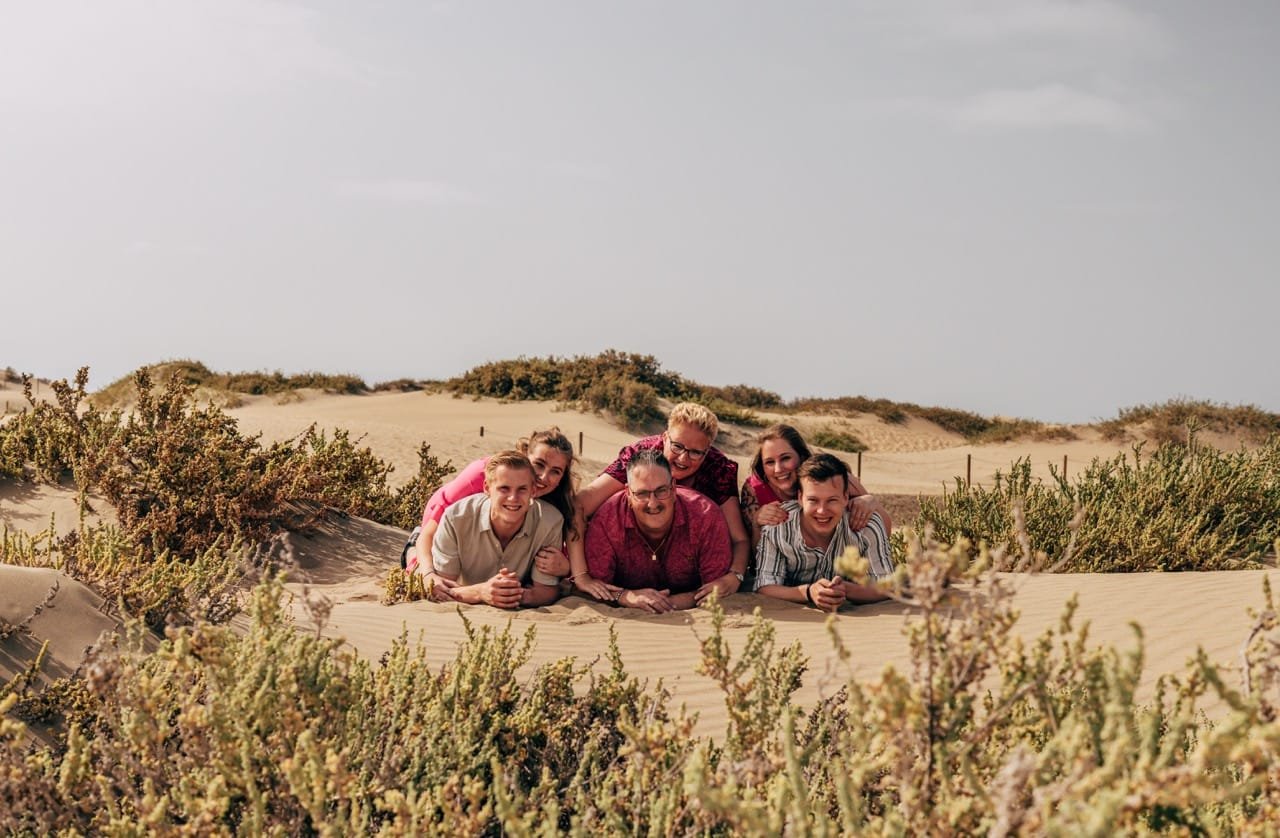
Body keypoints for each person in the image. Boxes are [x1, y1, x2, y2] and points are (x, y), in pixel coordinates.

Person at [409, 427, 620, 601]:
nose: (543, 477)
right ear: (526, 455)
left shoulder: (552, 505)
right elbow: (432, 532)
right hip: (435, 526)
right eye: (539, 465)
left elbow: (562, 547)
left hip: (502, 540)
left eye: (555, 471)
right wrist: (426, 571)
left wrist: (566, 569)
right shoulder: (483, 475)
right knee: (421, 571)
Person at [576, 402, 748, 601]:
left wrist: (734, 576)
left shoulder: (719, 469)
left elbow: (739, 538)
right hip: (628, 553)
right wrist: (582, 576)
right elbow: (579, 506)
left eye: (695, 452)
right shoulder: (640, 456)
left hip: (692, 557)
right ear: (665, 437)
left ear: (707, 450)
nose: (683, 458)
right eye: (677, 446)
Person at [584, 448, 732, 613]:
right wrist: (626, 596)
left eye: (661, 491)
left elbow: (716, 589)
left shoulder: (706, 516)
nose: (653, 503)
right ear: (628, 493)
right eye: (642, 493)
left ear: (674, 488)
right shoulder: (607, 520)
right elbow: (596, 588)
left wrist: (664, 603)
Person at [753, 453, 895, 611]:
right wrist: (808, 592)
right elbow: (765, 585)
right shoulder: (777, 527)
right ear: (800, 498)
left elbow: (885, 586)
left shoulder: (867, 525)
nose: (822, 511)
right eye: (813, 500)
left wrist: (843, 590)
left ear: (846, 497)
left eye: (832, 500)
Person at [424, 450, 564, 608]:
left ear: (533, 491)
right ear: (487, 488)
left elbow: (546, 590)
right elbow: (443, 588)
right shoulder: (455, 518)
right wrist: (481, 592)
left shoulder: (550, 522)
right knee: (416, 562)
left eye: (522, 489)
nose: (513, 498)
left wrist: (509, 594)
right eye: (504, 489)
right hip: (429, 529)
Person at [741, 424, 889, 548]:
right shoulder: (754, 489)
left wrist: (870, 502)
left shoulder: (832, 477)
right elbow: (754, 561)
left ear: (802, 457)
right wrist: (757, 523)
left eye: (785, 458)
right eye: (769, 462)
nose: (778, 469)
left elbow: (885, 532)